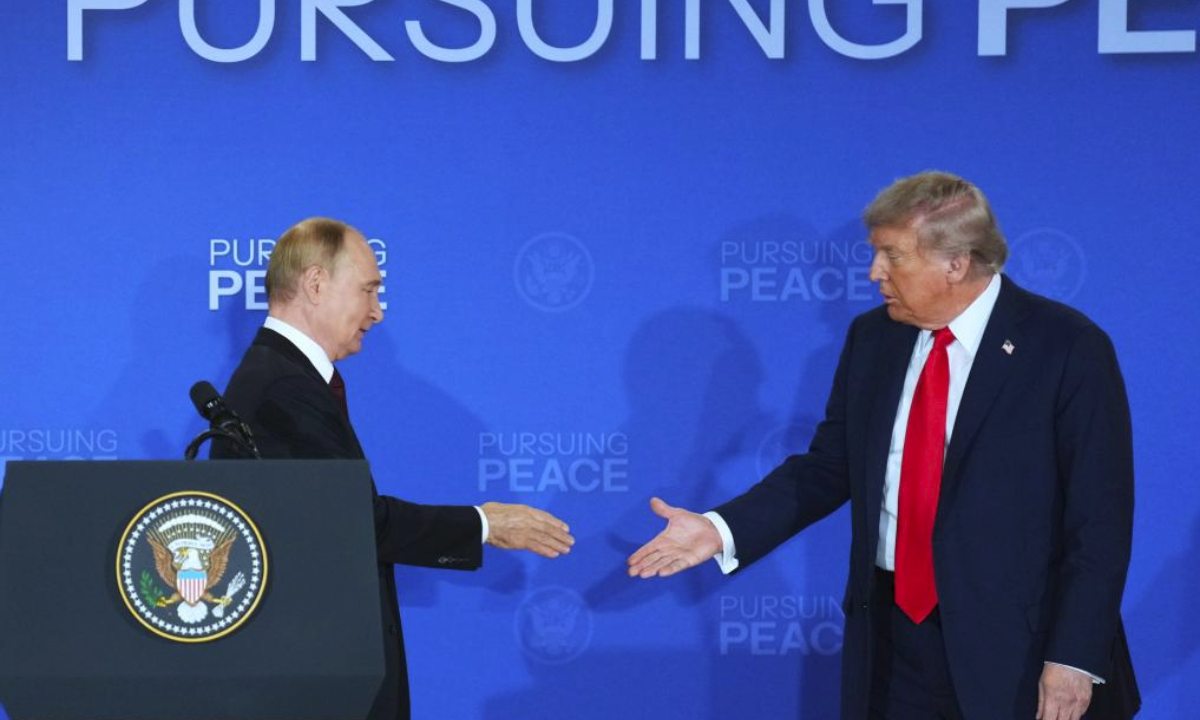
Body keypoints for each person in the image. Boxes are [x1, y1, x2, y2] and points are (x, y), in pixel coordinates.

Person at [627, 172, 1138, 720]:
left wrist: (1073, 658)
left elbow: (1099, 521)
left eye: (892, 256)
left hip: (1019, 651)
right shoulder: (874, 339)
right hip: (892, 641)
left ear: (956, 263)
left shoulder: (1066, 347)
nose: (874, 274)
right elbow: (828, 467)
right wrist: (721, 528)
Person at [212, 217, 575, 720]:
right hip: (318, 679)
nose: (378, 312)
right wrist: (486, 524)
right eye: (368, 290)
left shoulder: (283, 378)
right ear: (316, 285)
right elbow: (351, 523)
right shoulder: (283, 389)